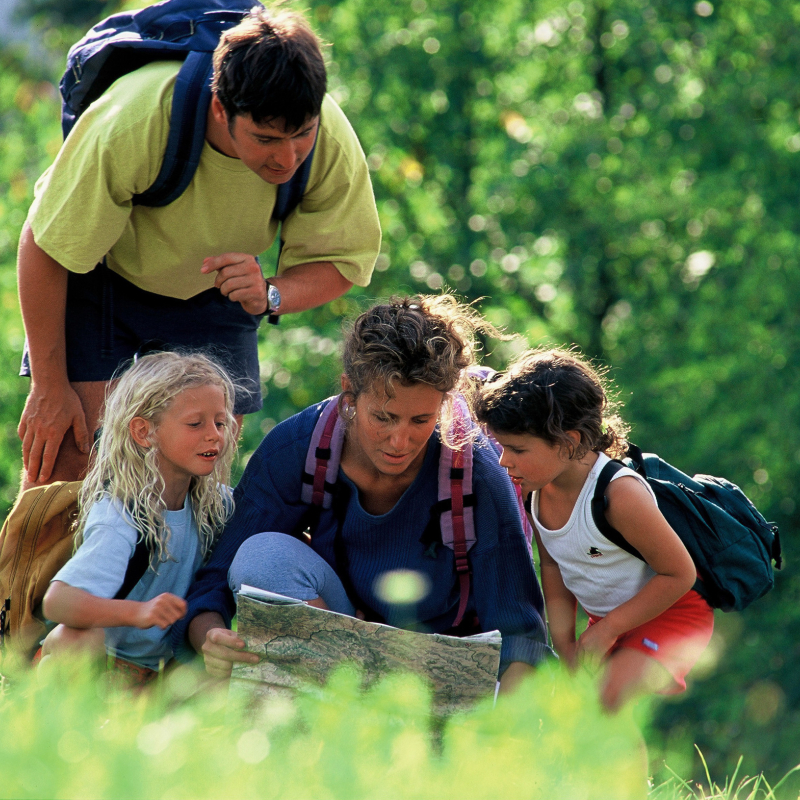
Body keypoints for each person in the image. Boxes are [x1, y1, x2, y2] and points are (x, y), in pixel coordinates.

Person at [17, 5, 381, 489]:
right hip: (106, 284)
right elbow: (44, 246)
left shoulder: (328, 134)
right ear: (220, 108)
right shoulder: (136, 119)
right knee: (66, 472)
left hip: (218, 298)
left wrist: (270, 293)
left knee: (195, 488)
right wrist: (48, 386)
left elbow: (344, 261)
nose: (288, 157)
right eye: (266, 138)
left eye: (302, 135)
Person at [172, 296, 551, 693]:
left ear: (444, 402)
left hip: (444, 663)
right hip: (338, 645)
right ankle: (315, 706)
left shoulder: (476, 471)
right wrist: (210, 638)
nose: (400, 441)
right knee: (261, 555)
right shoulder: (295, 451)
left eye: (421, 420)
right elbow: (213, 586)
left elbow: (520, 633)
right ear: (349, 394)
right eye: (383, 418)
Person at [474, 348, 715, 711]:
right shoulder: (536, 491)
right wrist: (563, 643)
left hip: (672, 613)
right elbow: (554, 565)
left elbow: (680, 573)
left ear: (568, 442)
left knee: (609, 699)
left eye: (517, 449)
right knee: (587, 715)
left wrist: (607, 629)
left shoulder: (618, 494)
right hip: (610, 621)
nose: (504, 460)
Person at [40, 352, 237, 684]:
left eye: (220, 422)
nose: (215, 435)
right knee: (74, 641)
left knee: (224, 668)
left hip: (161, 674)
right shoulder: (120, 512)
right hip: (104, 666)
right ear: (144, 432)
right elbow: (58, 602)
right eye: (195, 423)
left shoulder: (216, 504)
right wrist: (139, 613)